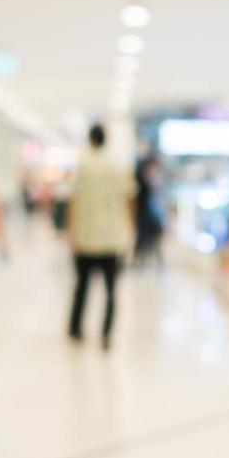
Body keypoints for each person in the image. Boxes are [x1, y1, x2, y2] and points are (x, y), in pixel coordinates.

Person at [67, 123, 134, 348]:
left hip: (86, 238)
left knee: (81, 287)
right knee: (111, 290)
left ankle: (75, 329)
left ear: (91, 140)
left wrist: (71, 232)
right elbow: (127, 200)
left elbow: (74, 200)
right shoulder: (117, 165)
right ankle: (106, 333)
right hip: (111, 239)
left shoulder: (83, 165)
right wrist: (128, 231)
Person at [132, 156, 165, 267]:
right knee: (143, 238)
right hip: (144, 213)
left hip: (152, 214)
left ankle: (155, 260)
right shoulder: (141, 179)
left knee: (153, 238)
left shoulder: (152, 179)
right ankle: (140, 260)